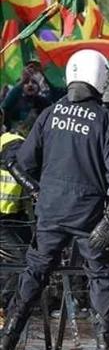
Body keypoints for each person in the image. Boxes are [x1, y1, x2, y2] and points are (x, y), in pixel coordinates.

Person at [0, 50, 109, 350]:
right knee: (100, 277)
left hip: (50, 210)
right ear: (98, 78)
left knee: (34, 273)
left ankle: (6, 343)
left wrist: (38, 190)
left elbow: (24, 162)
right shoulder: (106, 120)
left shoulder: (50, 113)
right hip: (89, 214)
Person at [0, 108, 35, 311]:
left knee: (26, 260)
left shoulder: (10, 142)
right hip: (6, 218)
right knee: (22, 261)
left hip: (14, 216)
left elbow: (19, 164)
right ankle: (4, 305)